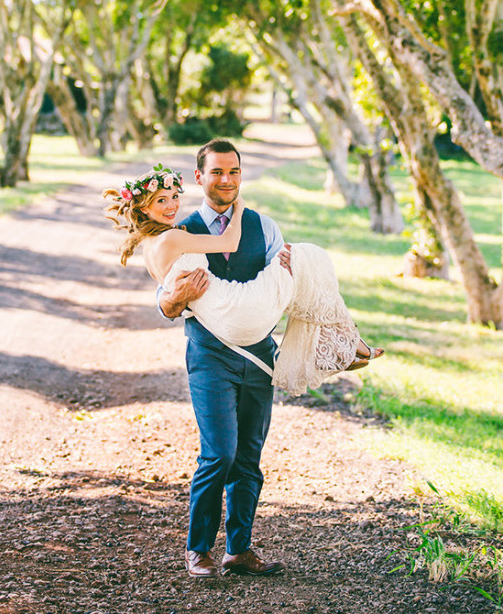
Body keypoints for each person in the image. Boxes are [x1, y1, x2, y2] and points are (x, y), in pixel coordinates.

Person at [103, 141, 383, 579]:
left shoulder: (264, 227)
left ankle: (239, 549)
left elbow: (282, 285)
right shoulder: (180, 228)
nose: (226, 180)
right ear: (200, 177)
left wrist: (294, 268)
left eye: (233, 172)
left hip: (260, 359)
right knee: (220, 453)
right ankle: (198, 551)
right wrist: (173, 300)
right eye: (217, 172)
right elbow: (165, 300)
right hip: (210, 359)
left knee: (249, 457)